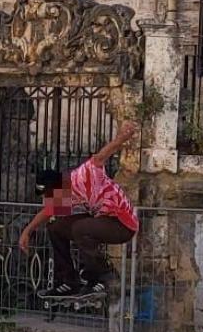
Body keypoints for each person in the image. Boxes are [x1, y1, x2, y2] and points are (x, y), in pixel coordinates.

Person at [18, 120, 141, 296]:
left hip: (122, 224)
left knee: (80, 228)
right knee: (56, 226)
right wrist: (27, 232)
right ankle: (68, 281)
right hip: (102, 221)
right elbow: (47, 212)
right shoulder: (65, 193)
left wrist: (120, 139)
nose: (50, 200)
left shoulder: (83, 175)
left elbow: (100, 157)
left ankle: (103, 275)